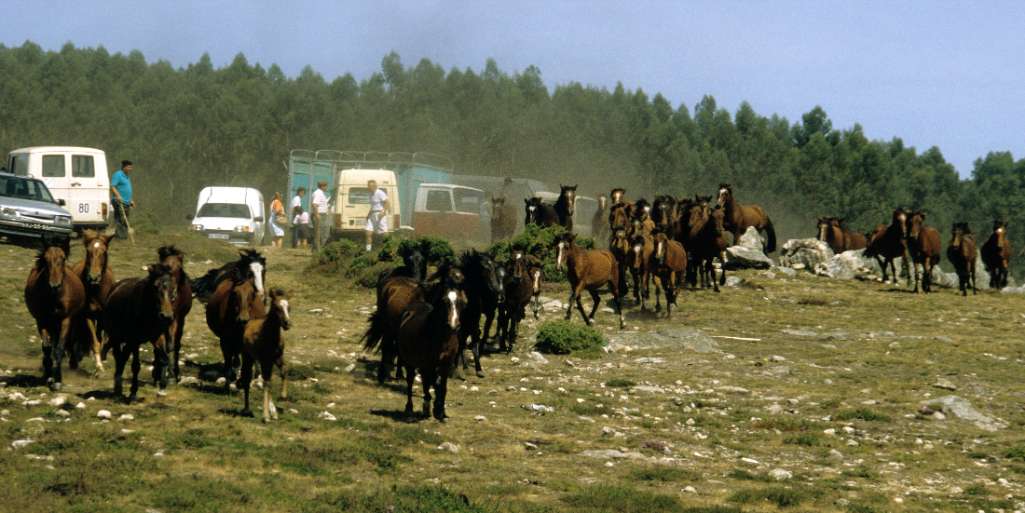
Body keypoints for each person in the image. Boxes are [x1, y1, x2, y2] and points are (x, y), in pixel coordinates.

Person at [110, 160, 135, 239]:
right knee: (121, 218)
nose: (130, 169)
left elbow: (127, 189)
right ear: (124, 167)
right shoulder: (118, 175)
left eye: (131, 167)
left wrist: (131, 200)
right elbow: (112, 186)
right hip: (118, 201)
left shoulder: (127, 176)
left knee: (124, 218)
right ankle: (120, 237)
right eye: (129, 167)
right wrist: (118, 196)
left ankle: (121, 235)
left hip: (126, 202)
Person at [365, 179, 390, 252]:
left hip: (380, 214)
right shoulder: (370, 194)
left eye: (370, 186)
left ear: (375, 186)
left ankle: (388, 247)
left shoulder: (380, 193)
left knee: (384, 232)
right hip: (372, 214)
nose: (369, 187)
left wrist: (383, 211)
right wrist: (368, 215)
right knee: (368, 232)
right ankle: (368, 250)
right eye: (368, 186)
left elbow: (387, 202)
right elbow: (373, 206)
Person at [311, 181, 330, 250]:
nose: (326, 188)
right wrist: (317, 215)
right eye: (326, 186)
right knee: (322, 233)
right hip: (320, 215)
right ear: (322, 186)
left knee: (319, 233)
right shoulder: (318, 193)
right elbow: (314, 204)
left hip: (322, 214)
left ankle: (315, 249)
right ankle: (319, 249)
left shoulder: (320, 193)